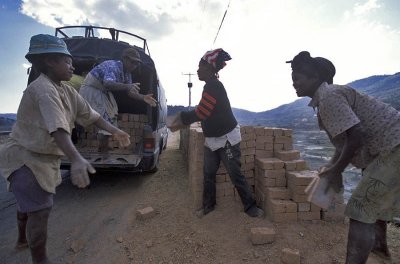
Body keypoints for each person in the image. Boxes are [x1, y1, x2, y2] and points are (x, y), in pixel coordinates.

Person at [0, 34, 131, 264]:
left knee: (27, 205)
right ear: (50, 62)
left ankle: (22, 239)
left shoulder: (68, 91)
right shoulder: (42, 89)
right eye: (68, 61)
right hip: (25, 158)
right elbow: (58, 130)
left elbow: (94, 116)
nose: (73, 66)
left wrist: (115, 131)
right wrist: (77, 159)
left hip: (44, 158)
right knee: (40, 211)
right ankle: (41, 260)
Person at [287, 51, 400, 263]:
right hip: (387, 148)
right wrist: (331, 167)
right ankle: (380, 249)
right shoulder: (326, 99)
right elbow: (344, 141)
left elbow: (357, 136)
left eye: (297, 78)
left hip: (393, 146)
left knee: (359, 209)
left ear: (314, 78)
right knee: (372, 201)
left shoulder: (329, 97)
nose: (293, 83)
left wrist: (336, 171)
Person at [167, 48, 264, 218]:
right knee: (208, 174)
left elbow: (202, 112)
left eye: (200, 66)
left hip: (227, 139)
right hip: (212, 140)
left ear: (210, 68)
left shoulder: (214, 86)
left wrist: (180, 118)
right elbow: (204, 112)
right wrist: (181, 120)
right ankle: (208, 207)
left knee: (235, 174)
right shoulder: (209, 87)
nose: (197, 70)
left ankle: (251, 207)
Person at [79, 47, 157, 153]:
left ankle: (104, 145)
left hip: (102, 91)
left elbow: (130, 92)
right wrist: (127, 86)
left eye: (136, 63)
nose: (134, 65)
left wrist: (143, 97)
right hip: (92, 89)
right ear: (124, 58)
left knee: (112, 113)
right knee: (105, 116)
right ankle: (102, 149)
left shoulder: (127, 73)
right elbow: (108, 83)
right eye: (132, 62)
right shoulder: (113, 66)